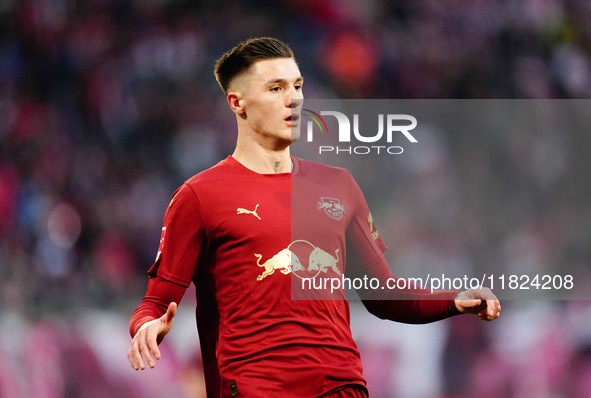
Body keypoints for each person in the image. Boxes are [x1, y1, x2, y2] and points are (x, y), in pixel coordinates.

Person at [127, 37, 501, 398]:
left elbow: (382, 295)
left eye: (297, 86)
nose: (294, 99)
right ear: (237, 102)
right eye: (276, 88)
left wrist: (454, 300)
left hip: (341, 386)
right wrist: (146, 327)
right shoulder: (199, 196)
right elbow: (155, 302)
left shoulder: (338, 185)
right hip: (257, 387)